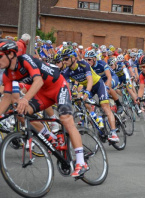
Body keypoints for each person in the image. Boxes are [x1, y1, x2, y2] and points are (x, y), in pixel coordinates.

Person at [0, 39, 89, 177]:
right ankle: (50, 137)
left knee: (65, 118)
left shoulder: (25, 60)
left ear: (11, 54)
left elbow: (38, 80)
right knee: (20, 113)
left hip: (58, 86)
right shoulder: (7, 75)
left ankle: (81, 162)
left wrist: (25, 99)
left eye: (0, 56)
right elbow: (6, 98)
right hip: (43, 94)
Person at [60, 49, 120, 142]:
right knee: (81, 101)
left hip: (98, 84)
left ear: (73, 58)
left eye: (66, 59)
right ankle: (97, 118)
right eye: (63, 59)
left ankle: (114, 133)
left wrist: (87, 92)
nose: (64, 61)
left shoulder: (84, 65)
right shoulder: (66, 72)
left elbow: (90, 80)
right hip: (86, 86)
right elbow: (66, 86)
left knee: (105, 107)